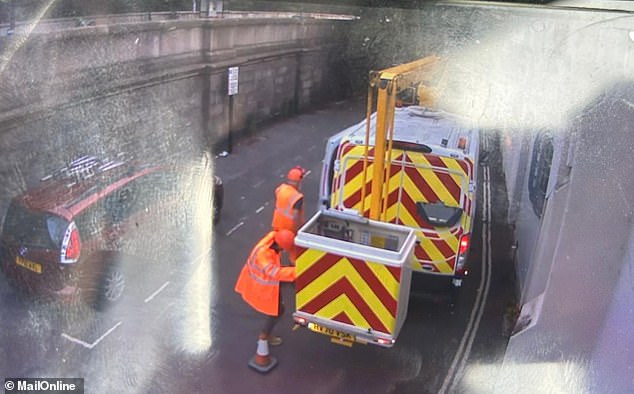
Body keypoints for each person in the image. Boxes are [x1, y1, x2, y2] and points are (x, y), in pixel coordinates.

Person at [235, 229, 296, 349]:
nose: (283, 252)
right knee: (278, 311)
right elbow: (275, 273)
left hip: (258, 281)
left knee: (277, 309)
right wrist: (297, 271)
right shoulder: (264, 255)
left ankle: (265, 335)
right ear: (279, 246)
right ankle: (264, 336)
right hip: (260, 287)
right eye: (283, 249)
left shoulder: (272, 240)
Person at [271, 166, 306, 263]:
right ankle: (293, 270)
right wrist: (298, 230)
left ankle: (274, 264)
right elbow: (295, 217)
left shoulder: (280, 189)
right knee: (294, 252)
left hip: (277, 225)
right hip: (290, 230)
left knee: (277, 247)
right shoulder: (297, 197)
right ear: (299, 181)